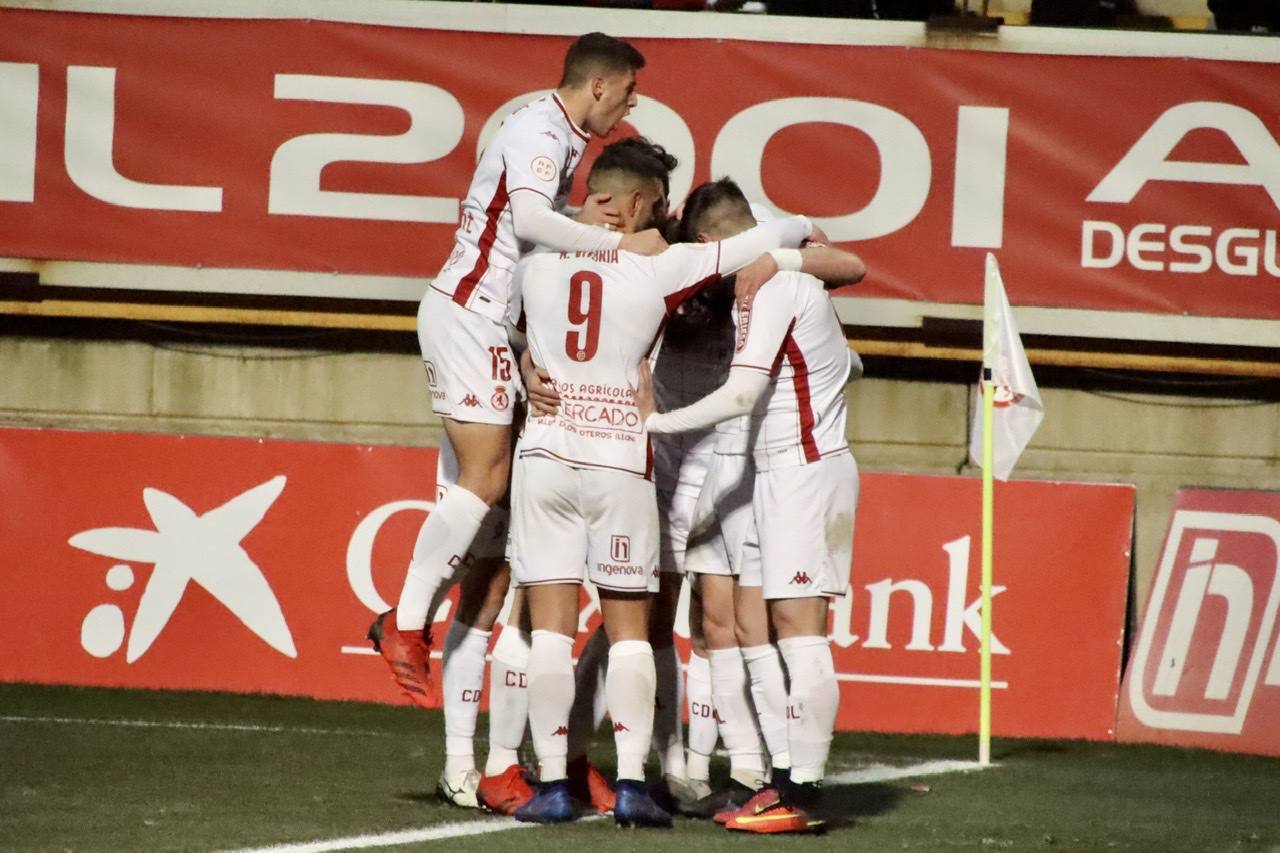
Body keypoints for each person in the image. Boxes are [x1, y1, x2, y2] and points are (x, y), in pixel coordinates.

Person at [365, 32, 667, 806]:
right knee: (490, 486)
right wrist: (609, 247)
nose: (631, 106)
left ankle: (490, 765)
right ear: (598, 86)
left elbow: (526, 233)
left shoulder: (557, 137)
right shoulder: (539, 133)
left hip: (495, 331)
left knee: (496, 570)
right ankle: (402, 623)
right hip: (469, 318)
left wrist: (530, 341)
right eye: (628, 92)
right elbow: (531, 222)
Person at [505, 150, 818, 826]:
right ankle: (629, 784)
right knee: (629, 633)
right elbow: (779, 235)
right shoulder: (661, 266)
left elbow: (508, 329)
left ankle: (555, 783)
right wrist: (792, 229)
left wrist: (530, 363)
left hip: (545, 453)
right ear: (645, 203)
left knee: (552, 634)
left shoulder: (531, 259)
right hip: (620, 456)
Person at [637, 177, 865, 834]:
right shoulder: (763, 276)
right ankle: (773, 776)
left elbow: (741, 395)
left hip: (806, 471)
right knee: (760, 625)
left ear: (712, 244)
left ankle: (805, 789)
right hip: (771, 472)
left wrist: (655, 423)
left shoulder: (778, 286)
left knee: (799, 627)